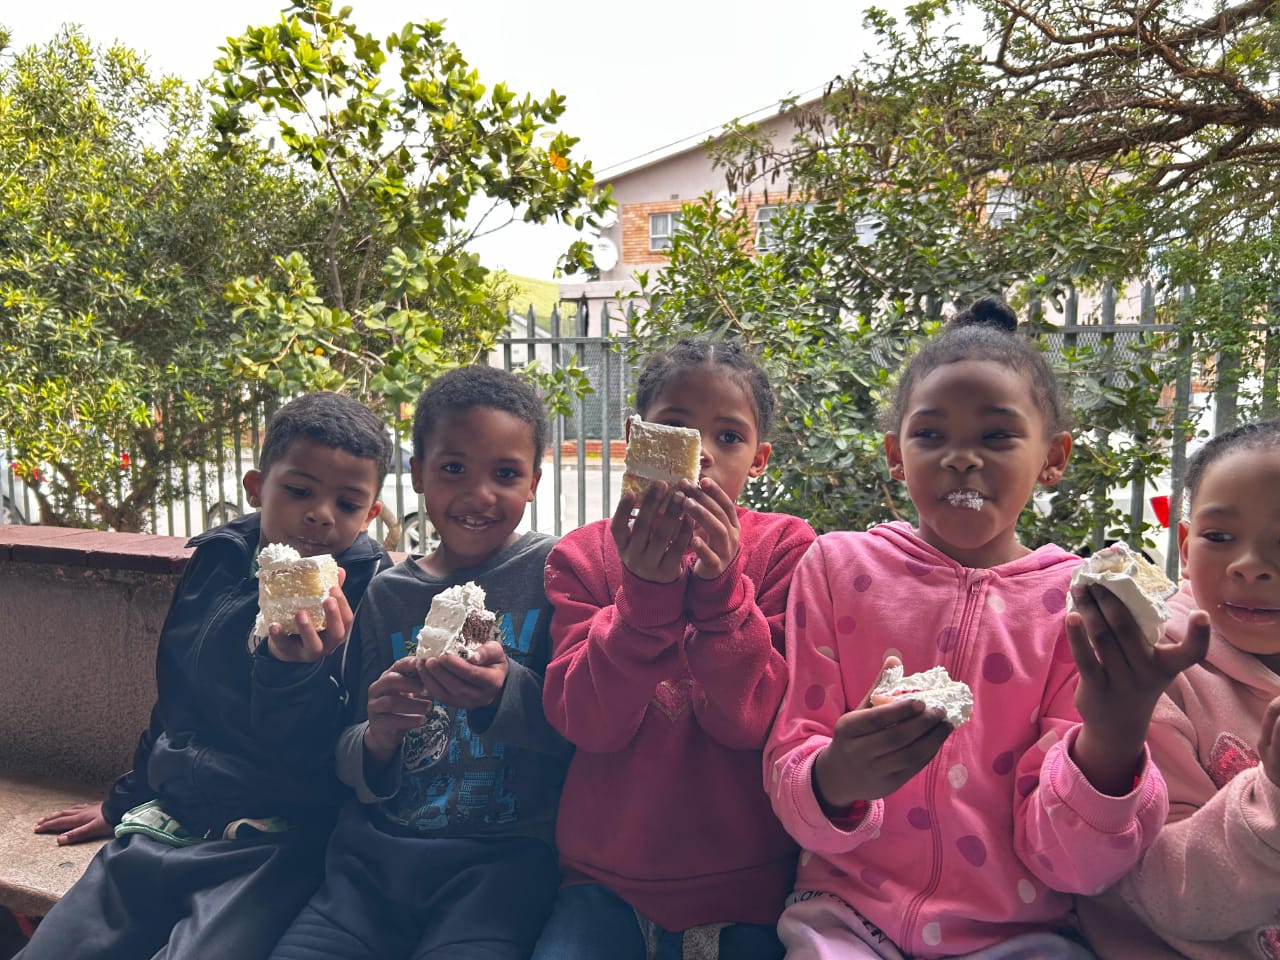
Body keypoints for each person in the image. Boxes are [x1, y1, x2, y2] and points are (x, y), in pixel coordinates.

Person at [763, 298, 1210, 960]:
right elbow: (791, 758)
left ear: (1053, 458)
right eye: (930, 435)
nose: (961, 459)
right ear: (895, 455)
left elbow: (1076, 868)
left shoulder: (1080, 606)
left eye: (997, 437)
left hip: (1022, 938)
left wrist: (1114, 740)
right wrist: (834, 779)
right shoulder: (835, 569)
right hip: (845, 922)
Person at [21, 391, 394, 960]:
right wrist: (125, 800)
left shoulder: (371, 596)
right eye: (299, 491)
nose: (321, 514)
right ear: (256, 487)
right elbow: (177, 698)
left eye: (347, 503)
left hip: (275, 843)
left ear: (370, 515)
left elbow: (339, 758)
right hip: (171, 819)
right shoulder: (217, 562)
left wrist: (295, 674)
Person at [269, 364, 568, 960]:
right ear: (418, 475)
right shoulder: (389, 593)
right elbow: (347, 749)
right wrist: (378, 737)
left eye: (506, 474)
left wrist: (503, 692)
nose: (479, 494)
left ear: (534, 482)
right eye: (453, 469)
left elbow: (581, 724)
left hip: (502, 867)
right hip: (370, 867)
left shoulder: (555, 572)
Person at [531, 338, 817, 960]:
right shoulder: (582, 557)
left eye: (729, 437)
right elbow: (587, 721)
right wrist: (643, 601)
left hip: (748, 885)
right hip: (603, 881)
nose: (702, 453)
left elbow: (754, 722)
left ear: (759, 460)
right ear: (636, 439)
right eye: (677, 428)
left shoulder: (786, 550)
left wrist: (722, 595)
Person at [1078, 418, 1280, 959]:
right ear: (1186, 548)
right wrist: (1272, 800)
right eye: (1220, 537)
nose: (1250, 566)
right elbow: (1161, 892)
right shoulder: (1155, 672)